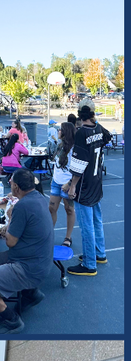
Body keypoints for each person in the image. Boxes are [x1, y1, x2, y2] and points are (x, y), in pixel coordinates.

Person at [0, 168, 54, 334]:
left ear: (16, 187)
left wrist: (9, 219)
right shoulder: (38, 197)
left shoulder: (22, 206)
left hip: (29, 267)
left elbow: (10, 242)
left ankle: (10, 319)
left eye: (11, 183)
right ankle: (31, 293)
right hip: (41, 260)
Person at [65, 103, 113, 276]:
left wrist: (72, 186)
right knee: (97, 220)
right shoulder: (99, 129)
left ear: (79, 115)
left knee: (87, 226)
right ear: (92, 114)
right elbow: (109, 137)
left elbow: (79, 164)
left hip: (85, 185)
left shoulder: (81, 133)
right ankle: (99, 253)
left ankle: (89, 263)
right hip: (97, 182)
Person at [48, 121, 76, 250]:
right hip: (56, 182)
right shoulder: (59, 146)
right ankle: (48, 235)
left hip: (67, 184)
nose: (58, 131)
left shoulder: (74, 149)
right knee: (51, 209)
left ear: (66, 132)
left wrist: (70, 184)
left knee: (69, 209)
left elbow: (78, 169)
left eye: (60, 129)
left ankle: (68, 237)